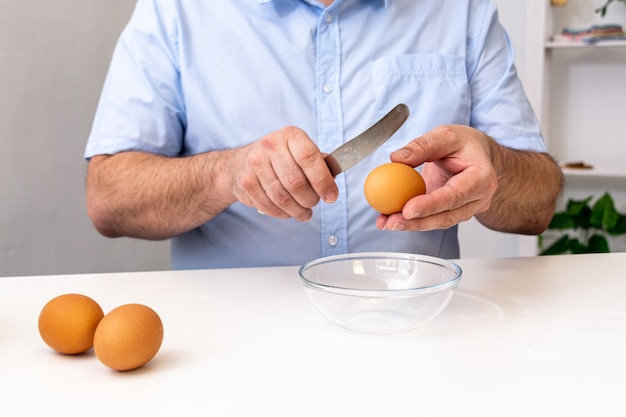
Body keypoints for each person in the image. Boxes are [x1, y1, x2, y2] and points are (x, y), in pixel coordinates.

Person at [85, 0, 563, 269]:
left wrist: (495, 170)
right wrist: (223, 173)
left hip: (414, 330)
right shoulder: (176, 11)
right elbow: (109, 200)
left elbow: (538, 205)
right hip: (232, 340)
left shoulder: (462, 11)